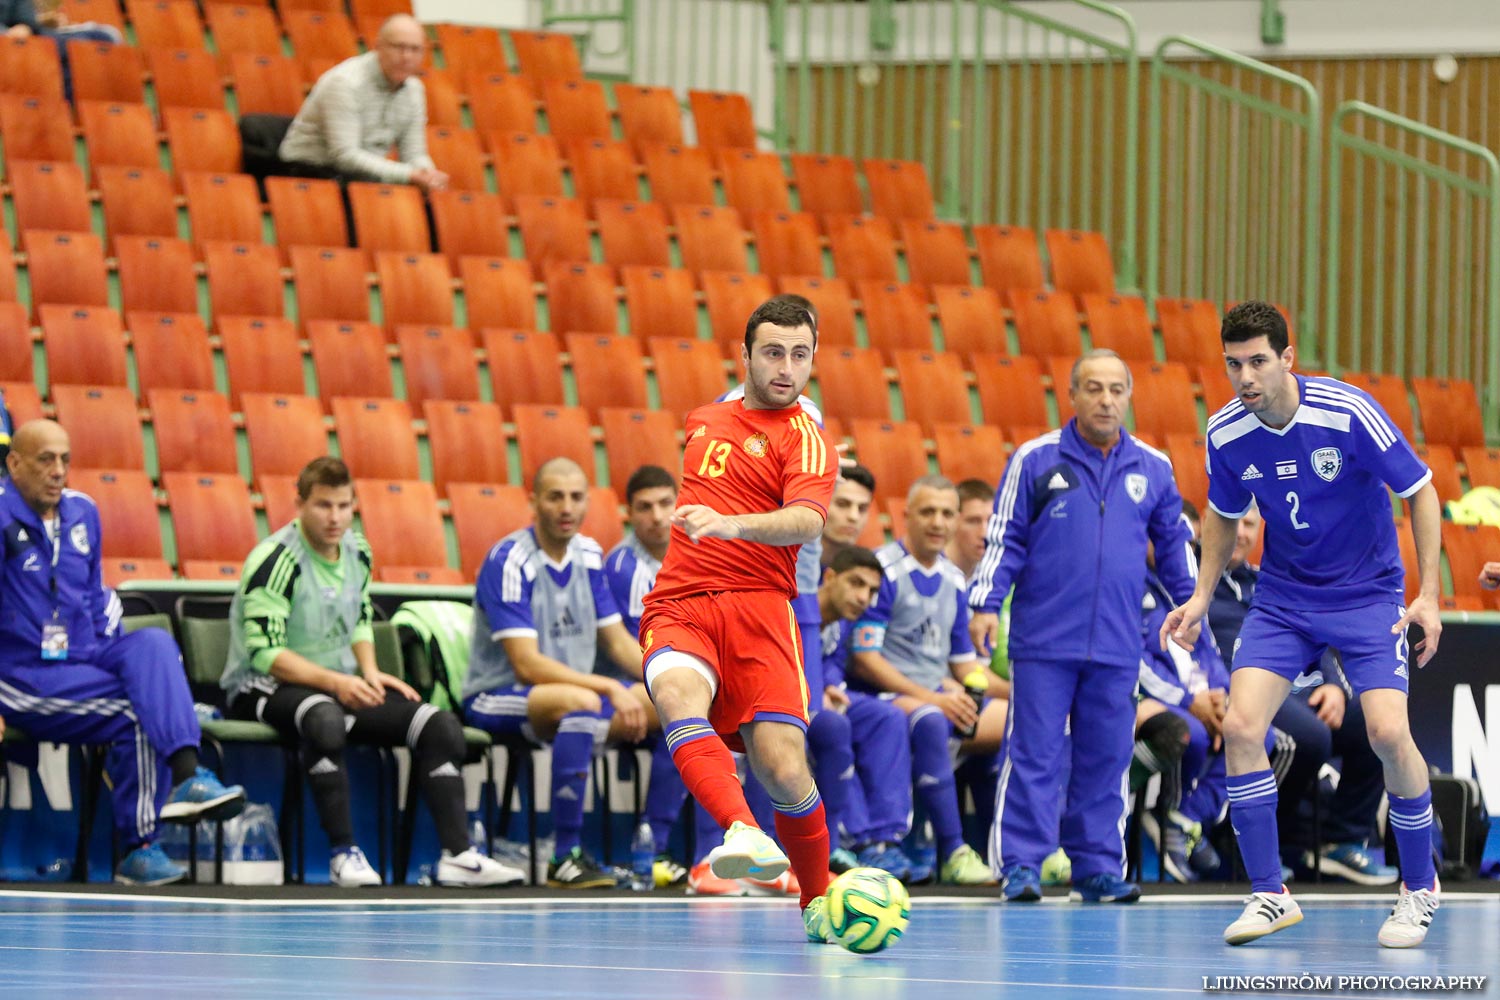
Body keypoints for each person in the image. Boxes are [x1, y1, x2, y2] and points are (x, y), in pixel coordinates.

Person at [1162, 301, 1443, 948]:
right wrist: (1202, 596)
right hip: (1285, 597)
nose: (1245, 376)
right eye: (1234, 364)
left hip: (1369, 595)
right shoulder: (1227, 431)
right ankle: (1269, 893)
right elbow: (1222, 514)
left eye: (1258, 360)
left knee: (1387, 732)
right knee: (1240, 726)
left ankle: (1418, 886)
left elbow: (1421, 490)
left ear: (1288, 358)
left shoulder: (1347, 411)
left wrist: (1428, 594)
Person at [639, 295, 841, 943]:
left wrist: (731, 526)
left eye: (801, 354)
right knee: (675, 695)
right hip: (682, 601)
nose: (787, 368)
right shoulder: (702, 419)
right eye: (774, 352)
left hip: (760, 610)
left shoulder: (806, 437)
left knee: (783, 768)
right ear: (745, 355)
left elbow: (808, 521)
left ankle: (819, 899)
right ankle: (742, 829)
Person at [222, 458, 517, 888]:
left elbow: (359, 620)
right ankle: (344, 855)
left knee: (438, 725)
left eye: (344, 506)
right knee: (323, 718)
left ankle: (457, 856)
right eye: (324, 505)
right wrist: (339, 683)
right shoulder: (275, 561)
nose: (335, 517)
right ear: (299, 504)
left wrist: (370, 672)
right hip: (261, 686)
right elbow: (267, 655)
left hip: (337, 682)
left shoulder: (357, 551)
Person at [970, 349, 1197, 904]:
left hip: (1119, 644)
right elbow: (1005, 540)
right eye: (1093, 388)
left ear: (1129, 398)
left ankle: (1096, 866)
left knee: (1107, 759)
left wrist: (1192, 605)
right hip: (1043, 640)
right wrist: (983, 602)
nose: (1105, 400)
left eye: (1116, 389)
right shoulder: (1035, 459)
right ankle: (1021, 864)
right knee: (1034, 754)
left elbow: (1174, 547)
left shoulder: (1154, 467)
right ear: (1070, 396)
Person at [0, 420, 245, 886]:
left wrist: (105, 650)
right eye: (45, 459)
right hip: (21, 672)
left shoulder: (82, 511)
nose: (58, 471)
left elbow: (92, 593)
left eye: (65, 460)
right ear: (14, 464)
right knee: (134, 713)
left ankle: (189, 777)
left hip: (84, 654)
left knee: (152, 642)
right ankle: (140, 846)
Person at [465, 457, 656, 889]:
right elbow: (526, 664)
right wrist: (609, 686)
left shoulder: (589, 554)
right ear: (533, 502)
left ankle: (658, 853)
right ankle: (564, 856)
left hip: (573, 695)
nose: (566, 507)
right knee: (584, 704)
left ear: (588, 501)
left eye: (575, 497)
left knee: (673, 704)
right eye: (555, 497)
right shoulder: (509, 560)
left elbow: (616, 641)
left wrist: (667, 678)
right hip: (497, 693)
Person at [1207, 501, 1395, 886]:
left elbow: (1315, 635)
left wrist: (1333, 686)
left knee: (1374, 723)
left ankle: (1338, 842)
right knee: (1311, 737)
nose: (1241, 533)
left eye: (1250, 525)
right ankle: (1251, 841)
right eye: (1234, 522)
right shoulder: (1196, 586)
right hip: (1241, 694)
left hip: (1295, 691)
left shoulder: (1262, 581)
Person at [849, 475, 999, 885]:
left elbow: (962, 660)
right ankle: (953, 849)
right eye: (928, 511)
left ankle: (1028, 849)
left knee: (1025, 721)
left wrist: (972, 690)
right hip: (883, 694)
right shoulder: (882, 571)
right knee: (931, 720)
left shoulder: (953, 579)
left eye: (947, 513)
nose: (938, 521)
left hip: (933, 693)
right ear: (906, 515)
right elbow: (864, 659)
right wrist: (932, 696)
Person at [602, 465, 692, 889]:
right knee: (685, 713)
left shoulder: (701, 553)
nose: (657, 515)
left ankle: (714, 852)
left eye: (664, 504)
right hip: (625, 685)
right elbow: (622, 647)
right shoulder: (620, 567)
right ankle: (652, 846)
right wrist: (674, 682)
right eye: (644, 507)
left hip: (678, 682)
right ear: (629, 514)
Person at [816, 546, 913, 877]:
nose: (863, 598)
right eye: (856, 584)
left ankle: (886, 840)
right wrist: (817, 692)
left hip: (822, 698)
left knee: (888, 717)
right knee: (833, 726)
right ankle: (855, 840)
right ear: (829, 578)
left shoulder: (841, 623)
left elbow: (831, 663)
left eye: (871, 591)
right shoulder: (799, 610)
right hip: (782, 705)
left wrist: (830, 685)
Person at [276, 14, 449, 192]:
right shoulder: (344, 83)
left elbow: (414, 153)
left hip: (359, 177)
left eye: (415, 49)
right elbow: (345, 156)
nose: (406, 56)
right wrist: (409, 175)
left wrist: (428, 174)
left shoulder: (414, 89)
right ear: (378, 46)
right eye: (398, 47)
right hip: (308, 173)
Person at [820, 465, 876, 567]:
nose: (854, 517)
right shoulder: (787, 565)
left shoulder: (869, 575)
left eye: (862, 508)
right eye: (842, 504)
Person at [946, 478, 995, 581]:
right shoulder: (929, 570)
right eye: (973, 521)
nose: (984, 534)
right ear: (952, 522)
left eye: (991, 521)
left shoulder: (994, 571)